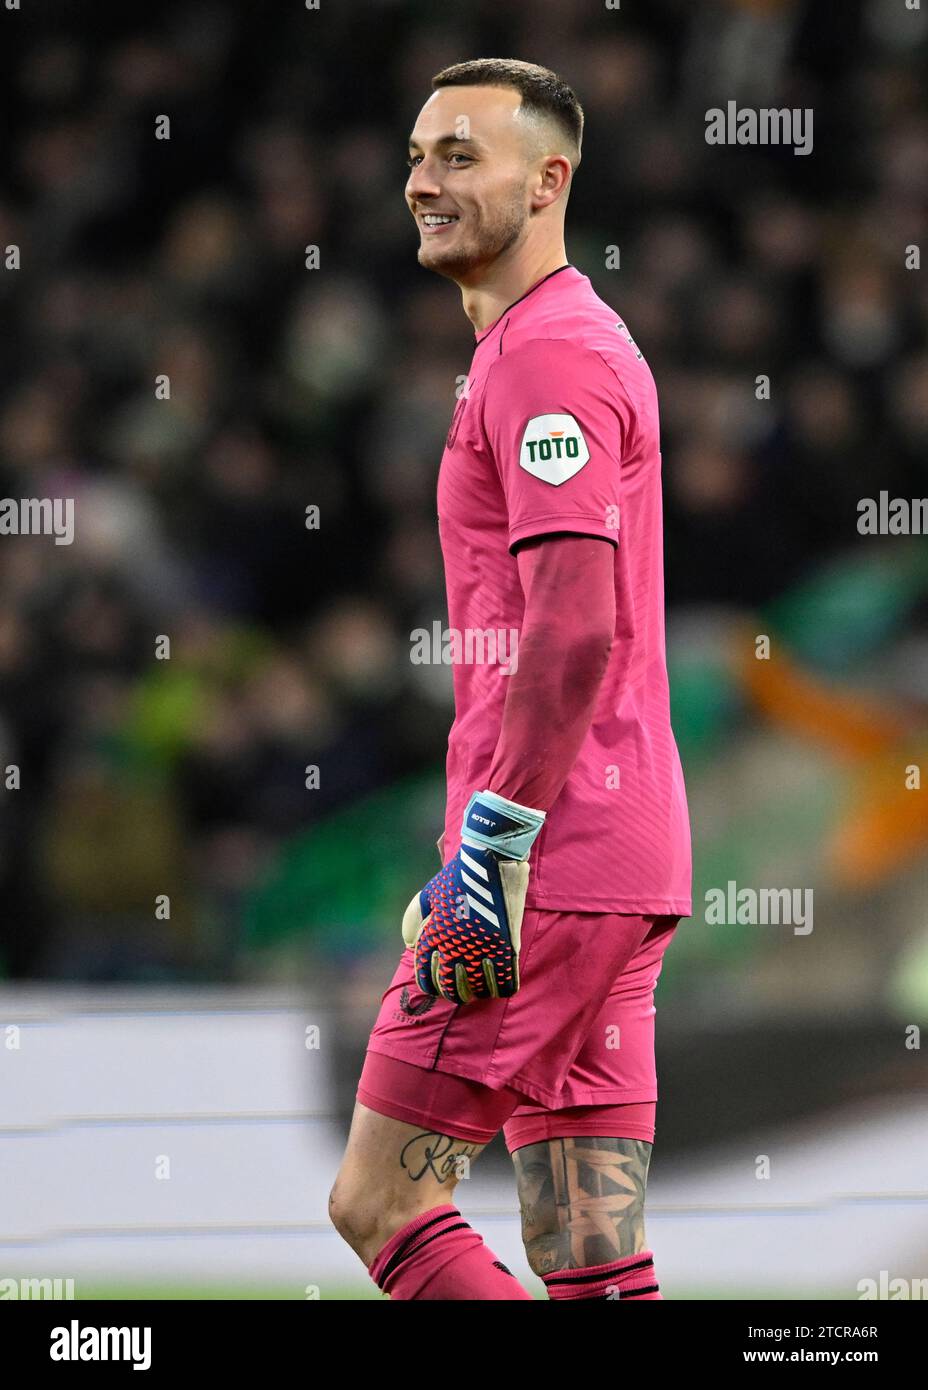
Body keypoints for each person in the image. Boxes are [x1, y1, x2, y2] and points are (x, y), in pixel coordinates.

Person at [329, 57, 691, 1301]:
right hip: (614, 857)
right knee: (589, 1251)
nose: (423, 182)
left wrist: (491, 845)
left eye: (460, 157)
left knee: (382, 1197)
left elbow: (573, 628)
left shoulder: (547, 357)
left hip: (548, 859)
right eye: (418, 157)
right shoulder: (547, 346)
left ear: (550, 182)